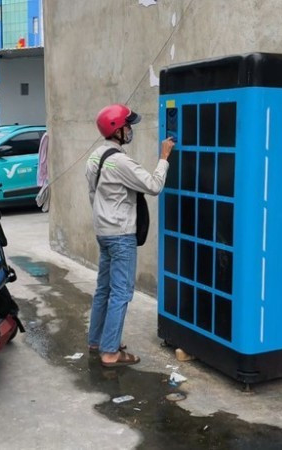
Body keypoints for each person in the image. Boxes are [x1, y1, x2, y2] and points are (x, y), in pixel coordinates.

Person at [85, 103, 175, 367]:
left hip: (103, 232)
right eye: (128, 126)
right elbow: (153, 185)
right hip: (121, 234)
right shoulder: (120, 161)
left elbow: (93, 194)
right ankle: (110, 351)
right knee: (121, 293)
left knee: (104, 288)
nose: (130, 130)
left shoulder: (94, 157)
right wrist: (164, 157)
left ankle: (97, 339)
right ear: (118, 130)